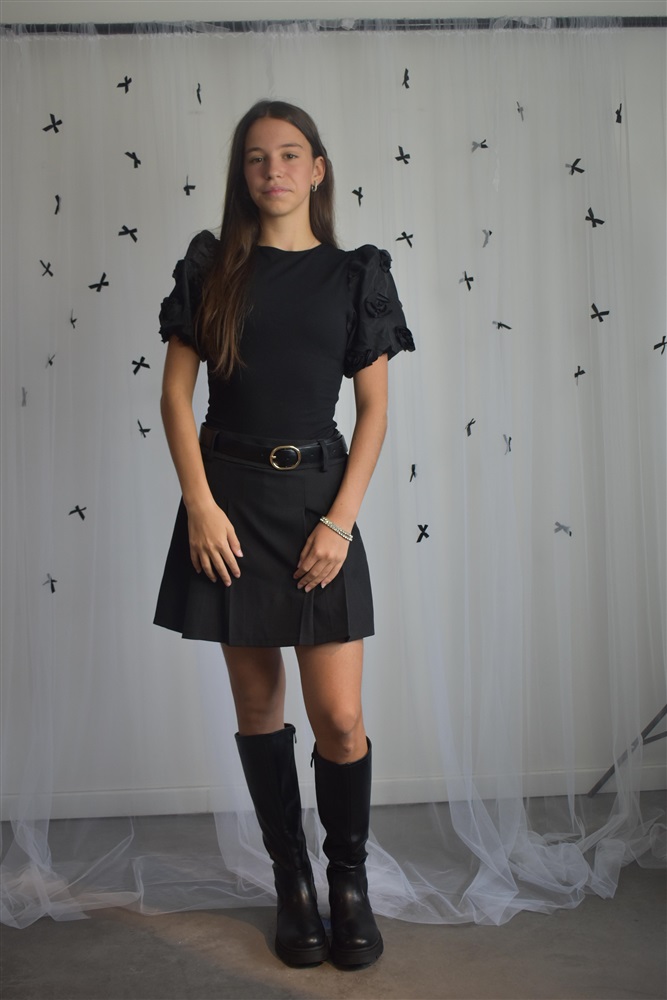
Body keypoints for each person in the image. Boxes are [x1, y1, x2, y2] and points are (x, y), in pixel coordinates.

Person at [154, 99, 414, 969]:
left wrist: (339, 520)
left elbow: (374, 412)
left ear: (317, 169)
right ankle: (291, 881)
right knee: (259, 708)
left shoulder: (356, 275)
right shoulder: (210, 269)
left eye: (290, 154)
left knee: (339, 717)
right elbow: (175, 397)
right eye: (257, 157)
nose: (274, 170)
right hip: (227, 505)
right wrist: (199, 505)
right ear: (243, 174)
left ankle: (348, 881)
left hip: (317, 507)